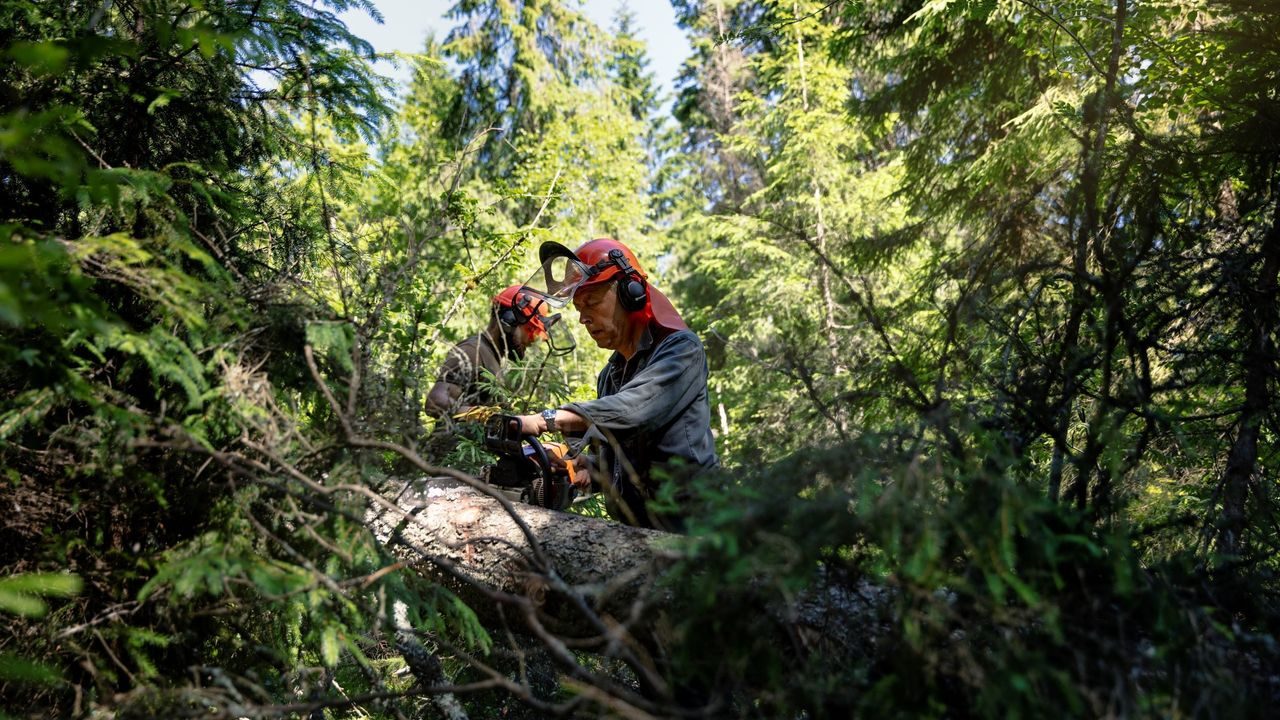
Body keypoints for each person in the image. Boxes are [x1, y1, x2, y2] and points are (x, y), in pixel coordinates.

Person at [514, 238, 718, 531]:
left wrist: (548, 419)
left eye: (592, 303)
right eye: (578, 308)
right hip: (638, 534)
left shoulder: (681, 350)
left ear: (630, 293)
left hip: (695, 530)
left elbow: (632, 411)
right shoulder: (610, 376)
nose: (583, 318)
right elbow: (622, 461)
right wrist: (588, 468)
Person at [425, 284, 551, 418]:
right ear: (509, 320)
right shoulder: (472, 351)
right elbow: (435, 403)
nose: (531, 340)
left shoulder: (492, 357)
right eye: (530, 330)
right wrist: (489, 417)